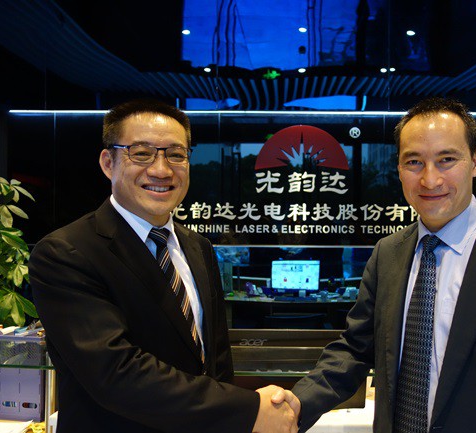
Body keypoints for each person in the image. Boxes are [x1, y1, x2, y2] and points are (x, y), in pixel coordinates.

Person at [290, 97, 476, 432]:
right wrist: (294, 406)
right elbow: (355, 350)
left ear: (475, 161)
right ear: (398, 168)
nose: (430, 180)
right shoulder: (387, 254)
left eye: (446, 159)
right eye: (414, 162)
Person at [29, 99, 299, 433]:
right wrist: (249, 409)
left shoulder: (197, 247)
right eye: (141, 153)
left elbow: (216, 361)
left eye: (175, 154)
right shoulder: (66, 252)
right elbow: (116, 373)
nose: (161, 170)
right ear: (108, 163)